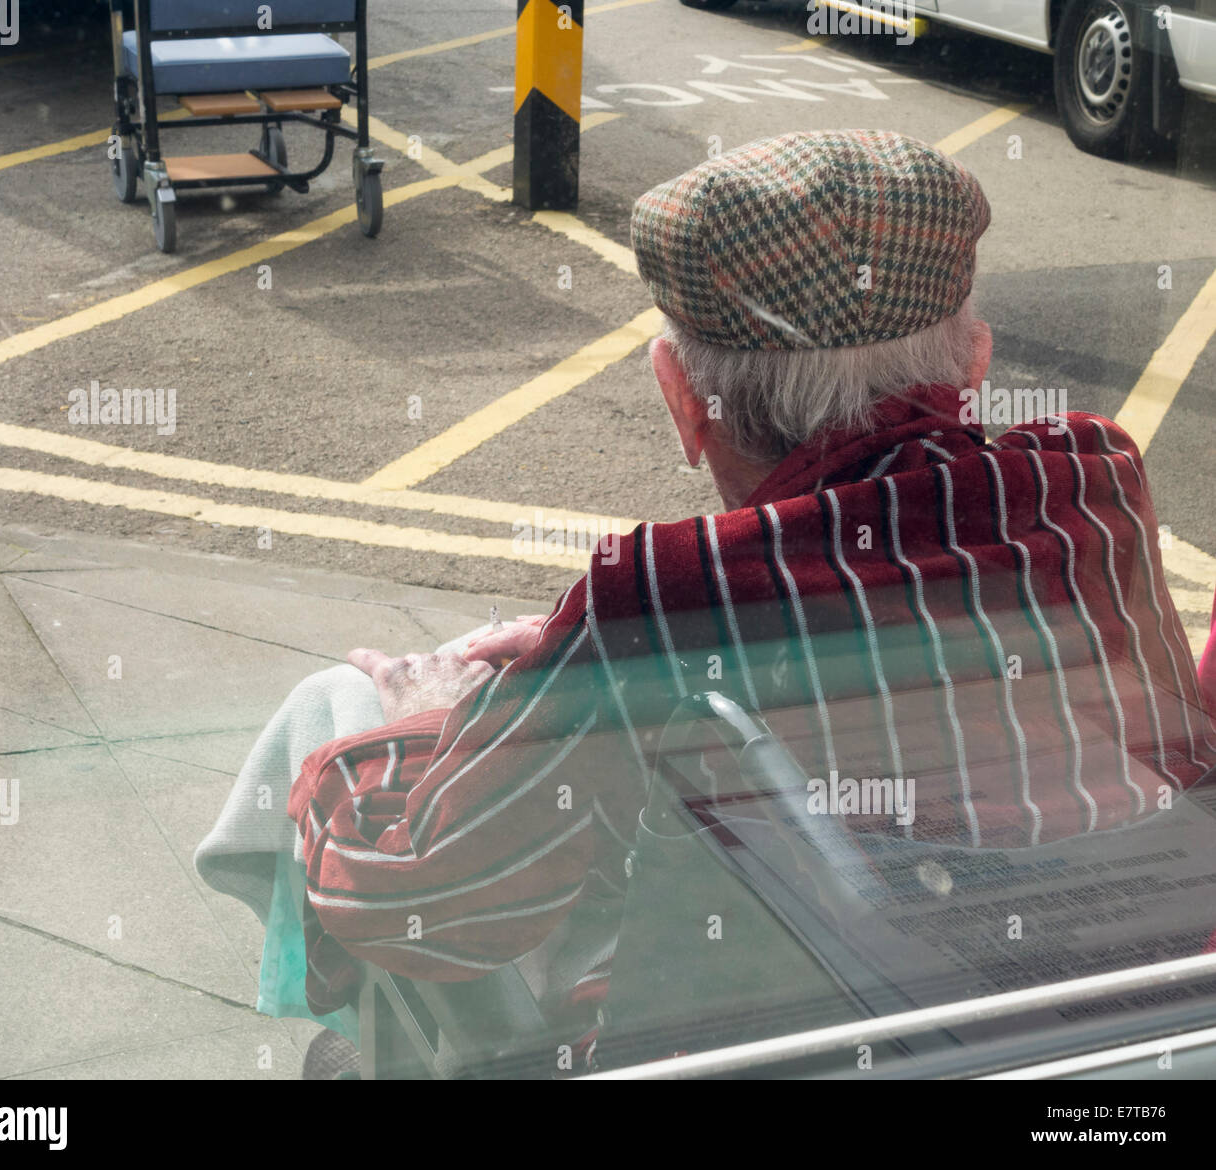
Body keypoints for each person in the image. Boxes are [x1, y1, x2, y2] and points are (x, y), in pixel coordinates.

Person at [197, 129, 1216, 1074]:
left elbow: (438, 902)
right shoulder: (1093, 483)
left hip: (758, 1046)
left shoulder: (658, 597)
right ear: (975, 362)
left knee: (338, 712)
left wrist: (432, 710)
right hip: (1111, 1044)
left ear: (683, 404)